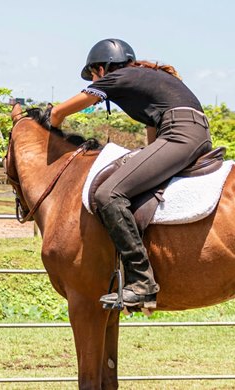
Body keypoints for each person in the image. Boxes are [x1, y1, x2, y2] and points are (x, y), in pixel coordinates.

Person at [50, 38, 212, 310]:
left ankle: (142, 283)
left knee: (108, 193)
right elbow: (153, 133)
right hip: (190, 133)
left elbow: (59, 112)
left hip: (180, 134)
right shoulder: (147, 78)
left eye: (93, 74)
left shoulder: (120, 77)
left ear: (103, 67)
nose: (94, 78)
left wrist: (51, 126)